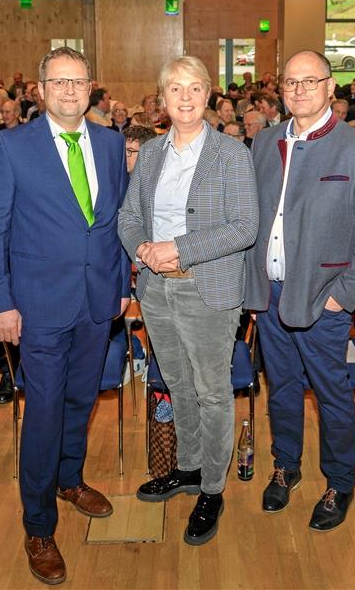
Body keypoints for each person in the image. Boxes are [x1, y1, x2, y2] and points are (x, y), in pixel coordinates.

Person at [0, 47, 129, 585]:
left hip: (96, 302)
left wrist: (122, 284)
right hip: (35, 306)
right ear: (39, 90)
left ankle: (70, 478)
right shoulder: (13, 147)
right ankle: (38, 524)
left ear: (92, 88)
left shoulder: (110, 144)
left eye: (78, 82)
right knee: (42, 412)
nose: (69, 91)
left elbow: (116, 222)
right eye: (58, 82)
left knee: (81, 399)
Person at [245, 50, 355, 532]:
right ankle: (286, 466)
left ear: (332, 87)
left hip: (323, 300)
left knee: (331, 394)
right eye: (291, 82)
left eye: (311, 81)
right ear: (281, 89)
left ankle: (339, 482)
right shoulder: (264, 142)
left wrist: (341, 298)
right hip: (270, 297)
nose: (300, 90)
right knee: (281, 390)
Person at [118, 56, 258, 546]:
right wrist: (141, 249)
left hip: (207, 289)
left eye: (194, 88)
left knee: (212, 391)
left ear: (208, 95)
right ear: (162, 98)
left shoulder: (231, 153)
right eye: (175, 89)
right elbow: (128, 216)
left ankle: (214, 488)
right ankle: (189, 468)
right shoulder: (152, 152)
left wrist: (178, 248)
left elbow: (245, 226)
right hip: (156, 289)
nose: (184, 97)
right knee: (177, 384)